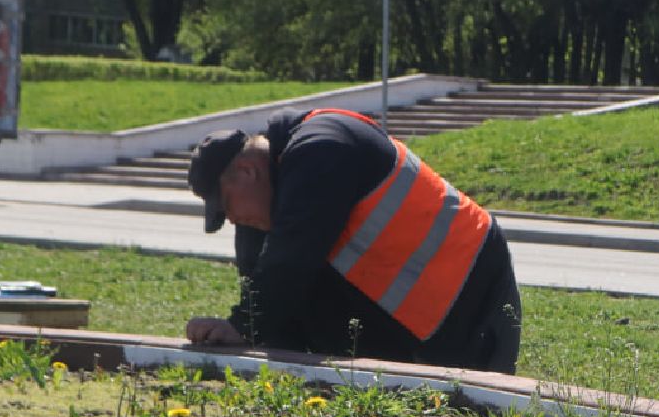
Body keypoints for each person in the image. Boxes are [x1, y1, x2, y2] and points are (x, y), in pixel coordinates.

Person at [185, 106, 522, 373]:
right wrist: (248, 334)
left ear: (248, 171)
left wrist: (243, 326)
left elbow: (292, 257)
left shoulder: (321, 148)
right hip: (417, 307)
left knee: (480, 411)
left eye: (227, 205)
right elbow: (271, 288)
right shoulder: (273, 193)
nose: (232, 220)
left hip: (473, 285)